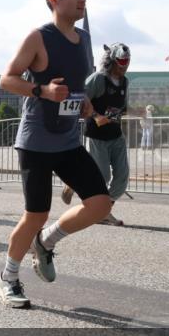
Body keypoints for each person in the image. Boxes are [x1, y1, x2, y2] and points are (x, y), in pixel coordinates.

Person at [0, 0, 112, 308]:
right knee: (35, 214)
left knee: (100, 204)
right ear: (54, 0)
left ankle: (46, 242)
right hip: (36, 141)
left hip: (67, 139)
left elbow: (77, 85)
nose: (82, 0)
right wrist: (42, 90)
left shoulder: (84, 37)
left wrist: (84, 103)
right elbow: (7, 79)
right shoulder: (39, 37)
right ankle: (7, 278)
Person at [61, 43, 132, 225]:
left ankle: (103, 210)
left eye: (127, 61)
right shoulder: (98, 79)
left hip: (116, 135)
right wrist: (95, 115)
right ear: (112, 61)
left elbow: (121, 109)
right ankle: (76, 186)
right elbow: (79, 98)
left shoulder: (125, 82)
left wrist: (134, 111)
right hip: (97, 135)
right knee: (102, 177)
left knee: (122, 179)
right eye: (121, 62)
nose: (124, 66)